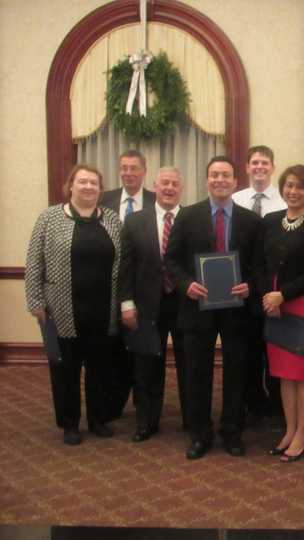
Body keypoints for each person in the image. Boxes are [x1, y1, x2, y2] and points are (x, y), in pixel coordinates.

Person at [165, 156, 261, 460]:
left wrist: (250, 285)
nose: (220, 180)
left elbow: (261, 264)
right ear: (207, 180)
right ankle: (200, 434)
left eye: (226, 175)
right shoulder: (187, 216)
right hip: (196, 306)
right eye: (215, 175)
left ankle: (232, 431)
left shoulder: (250, 220)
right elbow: (171, 259)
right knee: (196, 373)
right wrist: (186, 285)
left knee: (236, 372)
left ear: (235, 182)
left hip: (237, 308)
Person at [25, 164, 122, 445]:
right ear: (70, 186)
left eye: (94, 183)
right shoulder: (50, 218)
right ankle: (69, 423)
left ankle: (97, 419)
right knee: (65, 368)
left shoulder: (112, 219)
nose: (88, 187)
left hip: (104, 308)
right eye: (82, 182)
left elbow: (123, 260)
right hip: (62, 307)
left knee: (101, 367)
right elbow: (34, 261)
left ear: (100, 189)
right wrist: (35, 300)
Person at [257, 164, 304, 462]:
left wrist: (282, 295)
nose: (293, 191)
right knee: (285, 375)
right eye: (288, 185)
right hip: (274, 307)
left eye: (300, 187)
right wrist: (269, 298)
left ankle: (302, 432)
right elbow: (260, 264)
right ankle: (288, 429)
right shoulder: (270, 221)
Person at [119, 166, 188, 442]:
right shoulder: (135, 221)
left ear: (181, 188)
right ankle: (147, 421)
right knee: (147, 365)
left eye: (174, 183)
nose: (169, 188)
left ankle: (193, 419)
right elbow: (125, 266)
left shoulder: (191, 218)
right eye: (164, 184)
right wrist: (126, 302)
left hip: (185, 305)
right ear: (155, 187)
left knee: (189, 363)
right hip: (147, 305)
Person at [231, 145, 286, 423]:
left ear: (272, 167)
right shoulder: (235, 199)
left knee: (275, 348)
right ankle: (252, 402)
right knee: (249, 349)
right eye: (255, 163)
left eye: (265, 163)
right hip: (242, 287)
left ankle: (277, 405)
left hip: (274, 287)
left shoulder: (284, 200)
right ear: (247, 167)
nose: (259, 167)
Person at [101, 149, 156, 420]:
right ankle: (113, 403)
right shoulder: (103, 200)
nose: (128, 173)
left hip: (144, 289)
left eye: (134, 168)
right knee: (113, 349)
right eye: (124, 168)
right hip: (106, 287)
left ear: (144, 171)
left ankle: (142, 403)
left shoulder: (157, 201)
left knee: (141, 349)